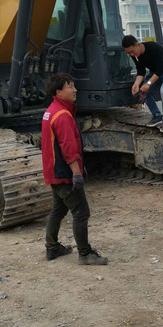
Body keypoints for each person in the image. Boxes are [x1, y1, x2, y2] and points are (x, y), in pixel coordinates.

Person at [41, 73, 108, 266]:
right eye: (70, 86)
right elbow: (69, 149)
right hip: (64, 173)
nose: (75, 89)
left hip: (53, 172)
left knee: (58, 210)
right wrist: (77, 174)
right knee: (81, 212)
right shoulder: (62, 116)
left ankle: (52, 248)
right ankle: (85, 254)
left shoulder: (51, 111)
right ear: (59, 91)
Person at [122, 34, 163, 130]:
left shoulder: (154, 48)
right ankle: (157, 115)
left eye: (132, 51)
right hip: (155, 72)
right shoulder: (135, 56)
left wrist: (148, 84)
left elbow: (160, 69)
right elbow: (141, 71)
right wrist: (136, 84)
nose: (131, 54)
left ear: (138, 45)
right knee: (143, 91)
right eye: (128, 53)